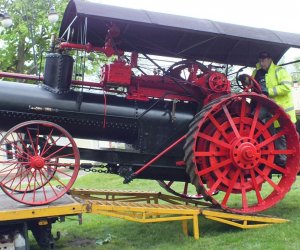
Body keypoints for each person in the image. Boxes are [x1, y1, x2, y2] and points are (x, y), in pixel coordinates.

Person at [253, 51, 296, 166]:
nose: (262, 63)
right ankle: (273, 159)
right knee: (256, 124)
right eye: (260, 60)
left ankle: (287, 164)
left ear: (270, 59)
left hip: (283, 113)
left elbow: (286, 87)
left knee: (281, 137)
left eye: (264, 60)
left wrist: (269, 91)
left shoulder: (279, 71)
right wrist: (244, 79)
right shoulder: (256, 73)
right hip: (269, 112)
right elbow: (251, 84)